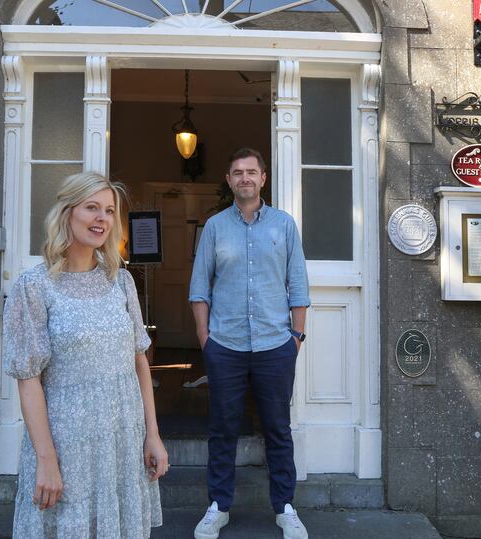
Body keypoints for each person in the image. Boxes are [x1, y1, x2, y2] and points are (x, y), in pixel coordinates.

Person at [3, 172, 168, 538]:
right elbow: (28, 381)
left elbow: (139, 362)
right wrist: (47, 460)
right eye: (92, 207)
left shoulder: (120, 281)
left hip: (122, 440)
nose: (102, 218)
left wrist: (153, 434)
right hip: (66, 444)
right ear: (67, 213)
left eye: (109, 211)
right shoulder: (34, 286)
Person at [189, 148, 310, 539]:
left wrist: (296, 337)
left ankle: (285, 508)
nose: (245, 178)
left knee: (277, 429)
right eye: (238, 172)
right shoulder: (214, 227)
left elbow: (298, 285)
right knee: (222, 429)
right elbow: (199, 288)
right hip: (225, 345)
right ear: (229, 179)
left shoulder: (284, 225)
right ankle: (218, 507)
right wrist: (205, 339)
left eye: (251, 172)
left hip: (276, 345)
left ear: (263, 178)